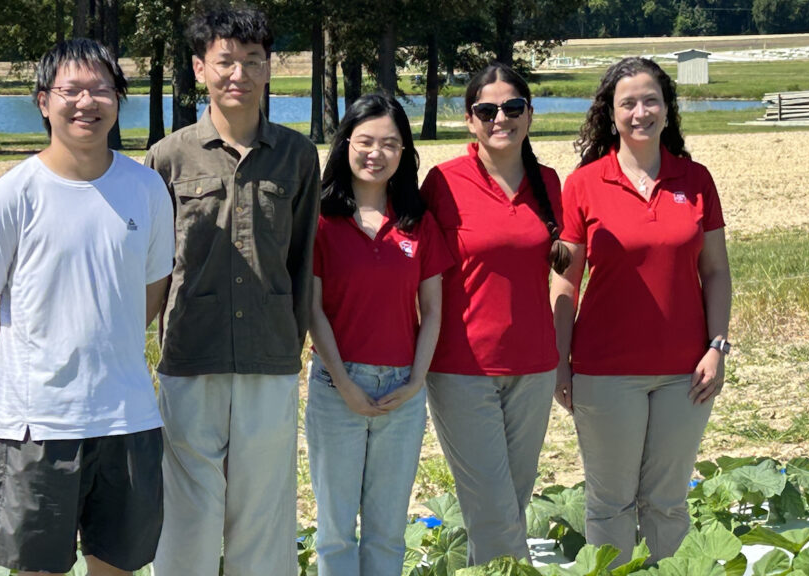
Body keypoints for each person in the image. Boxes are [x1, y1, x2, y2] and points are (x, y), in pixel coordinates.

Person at [0, 38, 174, 576]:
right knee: (37, 569)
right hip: (37, 425)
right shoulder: (14, 193)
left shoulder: (146, 188)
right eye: (71, 89)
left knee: (118, 566)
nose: (86, 102)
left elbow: (153, 287)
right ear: (44, 101)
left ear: (118, 101)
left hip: (127, 418)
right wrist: (31, 363)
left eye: (101, 89)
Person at [143, 6, 320, 576]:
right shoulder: (168, 158)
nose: (238, 73)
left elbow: (303, 259)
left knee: (264, 509)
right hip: (190, 352)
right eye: (225, 61)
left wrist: (294, 340)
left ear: (270, 69)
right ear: (200, 69)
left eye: (252, 61)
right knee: (188, 509)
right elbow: (155, 267)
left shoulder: (297, 155)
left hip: (270, 355)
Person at [550, 57, 732, 566]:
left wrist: (717, 346)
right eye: (627, 103)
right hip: (604, 372)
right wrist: (559, 360)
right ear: (611, 114)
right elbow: (564, 278)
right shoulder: (582, 184)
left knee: (668, 501)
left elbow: (716, 271)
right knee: (609, 503)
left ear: (667, 109)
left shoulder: (695, 180)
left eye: (651, 100)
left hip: (686, 373)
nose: (640, 112)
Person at [420, 62, 572, 565]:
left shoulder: (549, 183)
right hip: (461, 368)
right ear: (469, 119)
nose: (500, 118)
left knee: (511, 500)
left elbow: (567, 272)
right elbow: (417, 274)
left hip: (533, 367)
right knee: (492, 507)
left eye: (512, 107)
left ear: (530, 114)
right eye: (487, 110)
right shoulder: (443, 182)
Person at [306, 94, 453, 576]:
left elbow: (432, 310)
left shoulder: (418, 222)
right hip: (335, 388)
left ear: (404, 153)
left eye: (390, 143)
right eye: (365, 141)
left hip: (401, 391)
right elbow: (312, 308)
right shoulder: (321, 220)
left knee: (388, 532)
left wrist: (415, 383)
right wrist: (344, 384)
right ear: (345, 143)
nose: (376, 153)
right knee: (334, 533)